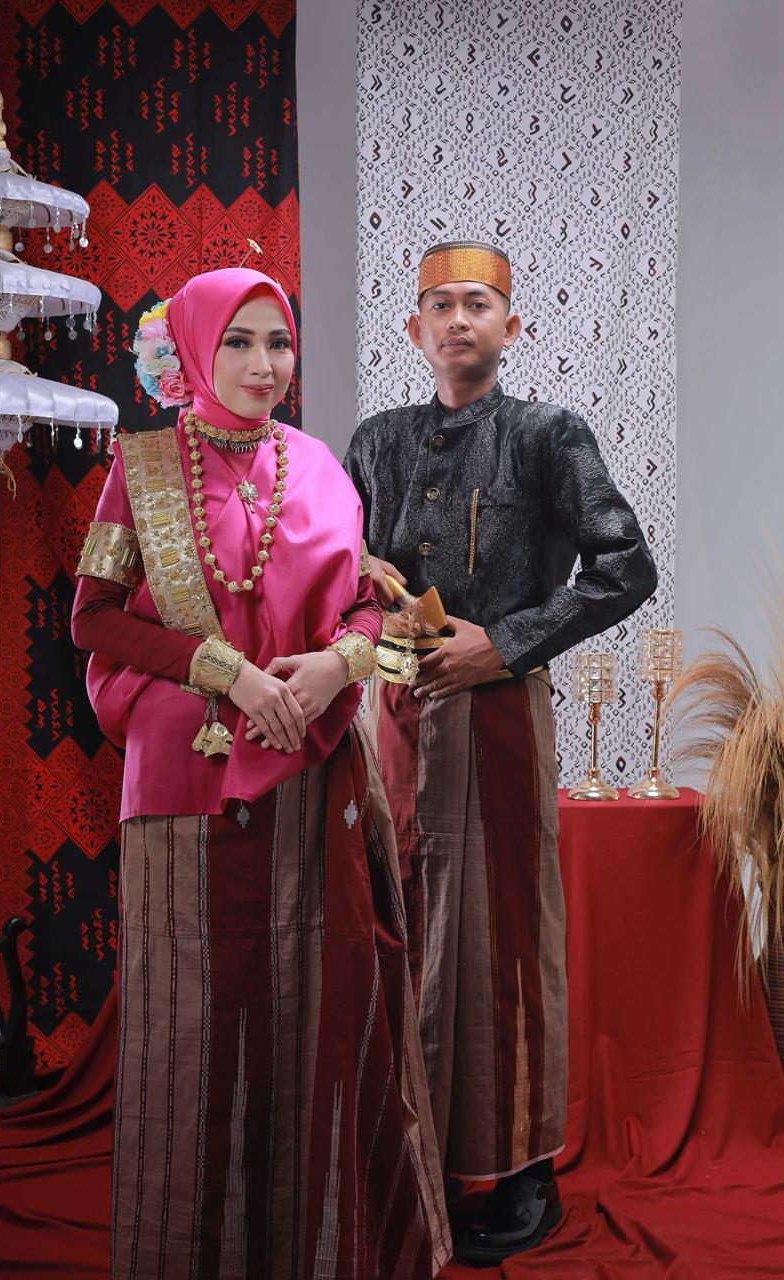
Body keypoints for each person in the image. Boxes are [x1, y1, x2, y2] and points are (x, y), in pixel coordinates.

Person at [71, 267, 451, 1279]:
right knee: (190, 1031)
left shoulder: (319, 468)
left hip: (311, 775)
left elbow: (372, 610)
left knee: (317, 1017)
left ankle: (319, 1250)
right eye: (237, 342)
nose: (262, 364)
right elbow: (93, 619)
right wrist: (226, 670)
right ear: (196, 350)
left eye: (277, 342)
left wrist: (337, 664)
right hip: (184, 789)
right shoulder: (143, 470)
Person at [344, 240, 658, 1266]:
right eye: (438, 305)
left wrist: (507, 641)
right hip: (395, 716)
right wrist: (359, 579)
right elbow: (333, 562)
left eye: (476, 303)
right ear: (414, 329)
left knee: (506, 938)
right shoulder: (377, 441)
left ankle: (526, 1170)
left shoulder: (545, 432)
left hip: (500, 716)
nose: (457, 320)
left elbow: (625, 565)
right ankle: (421, 1156)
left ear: (510, 325)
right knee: (405, 926)